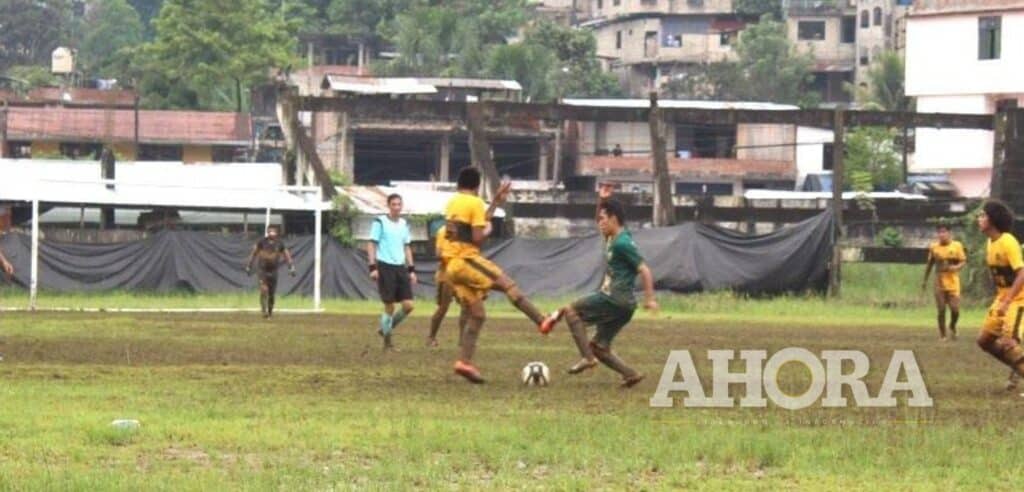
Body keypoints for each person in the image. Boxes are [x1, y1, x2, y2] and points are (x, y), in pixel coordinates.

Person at [538, 183, 657, 388]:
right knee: (599, 346)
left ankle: (587, 358)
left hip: (614, 298)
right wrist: (601, 201)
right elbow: (601, 218)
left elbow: (644, 269)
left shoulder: (622, 243)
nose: (599, 223)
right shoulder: (613, 236)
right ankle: (630, 374)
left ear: (613, 219)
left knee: (572, 311)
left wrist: (650, 299)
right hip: (625, 306)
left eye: (603, 219)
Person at [443, 167, 547, 383]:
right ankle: (541, 320)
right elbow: (478, 237)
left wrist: (495, 202)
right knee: (508, 284)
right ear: (477, 185)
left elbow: (469, 226)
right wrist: (488, 229)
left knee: (478, 315)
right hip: (466, 260)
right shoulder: (474, 203)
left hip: (452, 266)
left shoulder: (453, 203)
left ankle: (464, 362)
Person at [975, 200, 1024, 392]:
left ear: (992, 220)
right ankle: (1017, 367)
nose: (979, 219)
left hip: (1018, 299)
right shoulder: (990, 242)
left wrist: (1008, 301)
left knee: (1008, 343)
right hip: (1002, 298)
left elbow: (1022, 273)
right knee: (984, 341)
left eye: (983, 216)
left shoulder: (1008, 242)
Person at [368, 194, 416, 351]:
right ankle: (387, 344)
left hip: (400, 268)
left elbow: (407, 246)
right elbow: (371, 244)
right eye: (393, 204)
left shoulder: (404, 224)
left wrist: (411, 269)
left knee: (408, 306)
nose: (396, 207)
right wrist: (373, 267)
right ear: (388, 206)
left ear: (402, 206)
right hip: (385, 267)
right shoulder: (380, 222)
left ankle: (385, 329)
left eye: (399, 204)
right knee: (389, 306)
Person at [922, 224, 966, 341]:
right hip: (939, 280)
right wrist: (925, 280)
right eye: (939, 232)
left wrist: (956, 268)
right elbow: (930, 264)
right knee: (941, 309)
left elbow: (963, 261)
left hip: (953, 280)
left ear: (949, 233)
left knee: (955, 309)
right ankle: (943, 335)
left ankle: (952, 325)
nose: (941, 234)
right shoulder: (934, 247)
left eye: (944, 232)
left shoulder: (957, 246)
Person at [426, 228, 468, 348]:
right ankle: (431, 337)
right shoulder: (443, 231)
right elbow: (439, 253)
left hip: (462, 274)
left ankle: (462, 340)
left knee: (466, 305)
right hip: (446, 274)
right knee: (443, 307)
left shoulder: (466, 231)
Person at [245, 226, 295, 319]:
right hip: (262, 270)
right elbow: (253, 253)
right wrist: (249, 265)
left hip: (274, 271)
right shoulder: (261, 242)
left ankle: (270, 311)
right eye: (270, 231)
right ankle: (264, 310)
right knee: (264, 290)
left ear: (277, 233)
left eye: (273, 231)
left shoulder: (280, 243)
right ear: (267, 232)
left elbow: (286, 255)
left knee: (271, 294)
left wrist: (291, 267)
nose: (272, 233)